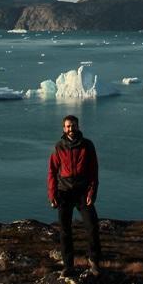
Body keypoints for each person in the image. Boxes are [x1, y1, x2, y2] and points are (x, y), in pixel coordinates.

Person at [47, 114, 101, 275]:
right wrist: (52, 194)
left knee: (92, 227)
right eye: (68, 126)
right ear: (64, 128)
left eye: (73, 125)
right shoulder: (59, 147)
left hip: (83, 192)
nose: (71, 129)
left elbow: (93, 171)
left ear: (78, 126)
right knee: (65, 231)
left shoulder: (87, 145)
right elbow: (52, 171)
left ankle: (94, 262)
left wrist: (92, 192)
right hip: (64, 192)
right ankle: (68, 266)